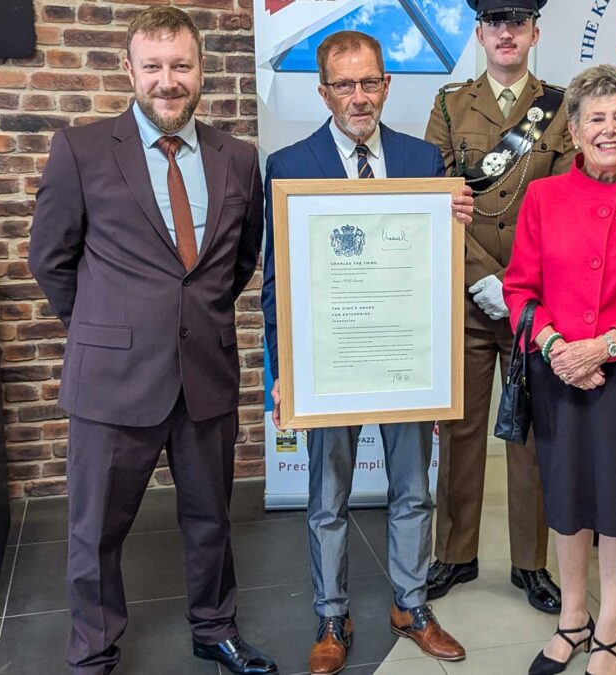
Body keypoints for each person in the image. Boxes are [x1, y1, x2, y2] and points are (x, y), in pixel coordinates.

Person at [28, 7, 275, 675]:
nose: (169, 81)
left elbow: (238, 259)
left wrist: (193, 320)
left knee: (210, 520)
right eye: (155, 66)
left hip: (205, 372)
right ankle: (93, 649)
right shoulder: (79, 149)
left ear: (202, 71)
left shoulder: (239, 157)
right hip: (112, 379)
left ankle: (213, 627)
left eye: (182, 66)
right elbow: (51, 258)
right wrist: (104, 330)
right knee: (95, 530)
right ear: (130, 70)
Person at [261, 31, 473, 675]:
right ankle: (332, 613)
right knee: (328, 497)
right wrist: (283, 372)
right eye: (345, 85)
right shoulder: (290, 166)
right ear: (323, 91)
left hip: (405, 357)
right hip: (331, 364)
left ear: (387, 85)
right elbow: (277, 282)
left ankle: (411, 604)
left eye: (371, 82)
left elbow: (435, 269)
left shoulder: (422, 161)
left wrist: (453, 219)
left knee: (413, 490)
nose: (360, 96)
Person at [503, 64, 616, 675]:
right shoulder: (543, 196)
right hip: (557, 369)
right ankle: (572, 617)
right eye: (596, 119)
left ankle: (607, 626)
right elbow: (520, 288)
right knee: (567, 495)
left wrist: (601, 348)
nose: (610, 129)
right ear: (575, 132)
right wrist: (560, 348)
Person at [423, 0, 574, 614]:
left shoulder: (561, 107)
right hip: (467, 294)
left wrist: (518, 290)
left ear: (536, 31)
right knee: (460, 431)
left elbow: (568, 204)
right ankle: (455, 553)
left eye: (518, 22)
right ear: (480, 32)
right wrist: (482, 278)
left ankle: (530, 563)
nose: (506, 34)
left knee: (532, 437)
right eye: (495, 23)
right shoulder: (450, 105)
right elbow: (434, 200)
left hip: (536, 301)